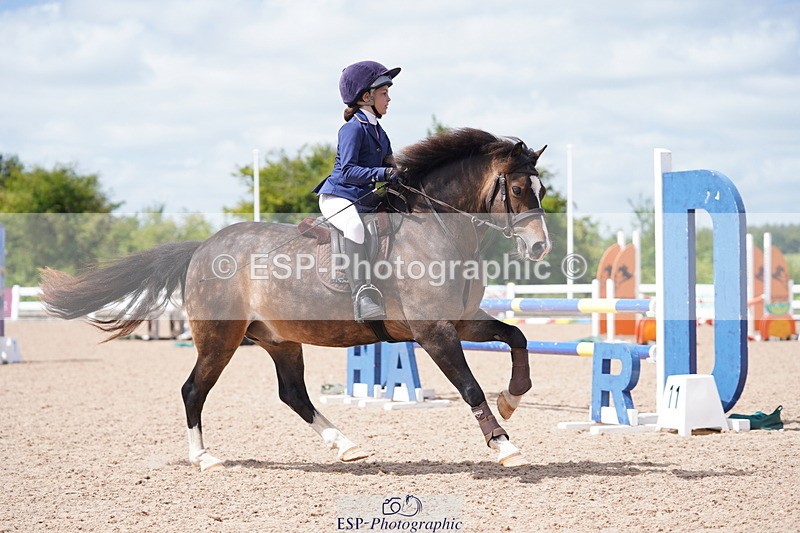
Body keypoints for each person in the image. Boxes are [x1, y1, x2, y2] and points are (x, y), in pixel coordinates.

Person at [313, 60, 402, 322]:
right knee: (354, 227)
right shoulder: (352, 129)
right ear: (367, 97)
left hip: (362, 197)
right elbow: (349, 171)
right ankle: (361, 294)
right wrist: (383, 174)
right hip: (338, 196)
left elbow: (391, 163)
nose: (389, 98)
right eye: (384, 93)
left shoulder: (379, 131)